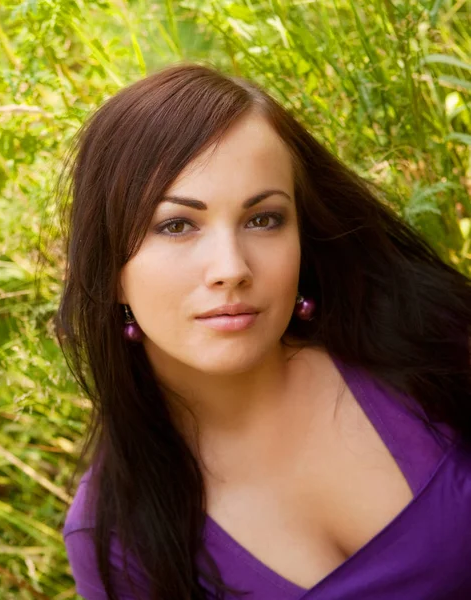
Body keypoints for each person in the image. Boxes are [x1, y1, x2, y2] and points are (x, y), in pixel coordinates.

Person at [55, 62, 471, 600]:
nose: (231, 267)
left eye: (263, 219)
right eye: (176, 225)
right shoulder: (116, 540)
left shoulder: (430, 343)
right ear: (109, 269)